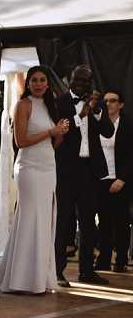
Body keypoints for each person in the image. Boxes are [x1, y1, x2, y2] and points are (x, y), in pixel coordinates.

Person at [0, 66, 69, 293]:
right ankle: (21, 279)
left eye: (42, 80)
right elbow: (21, 141)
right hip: (29, 167)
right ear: (28, 84)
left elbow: (54, 144)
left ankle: (39, 278)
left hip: (48, 166)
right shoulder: (23, 105)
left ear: (48, 84)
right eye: (34, 80)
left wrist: (60, 134)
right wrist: (51, 131)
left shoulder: (50, 105)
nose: (38, 84)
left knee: (45, 219)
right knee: (29, 218)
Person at [55, 65, 114, 287]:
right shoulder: (60, 103)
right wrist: (82, 113)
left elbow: (108, 131)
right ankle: (58, 271)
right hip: (67, 171)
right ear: (70, 80)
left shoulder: (97, 105)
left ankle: (87, 271)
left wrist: (97, 110)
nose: (81, 84)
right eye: (77, 80)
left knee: (89, 224)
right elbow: (64, 131)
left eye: (86, 81)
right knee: (63, 222)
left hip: (90, 170)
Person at [95, 90, 132, 272]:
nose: (109, 104)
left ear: (121, 104)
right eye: (106, 101)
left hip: (121, 180)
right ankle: (103, 259)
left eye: (113, 101)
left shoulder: (128, 125)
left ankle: (121, 260)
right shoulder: (97, 123)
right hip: (101, 179)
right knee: (103, 221)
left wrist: (122, 178)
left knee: (121, 221)